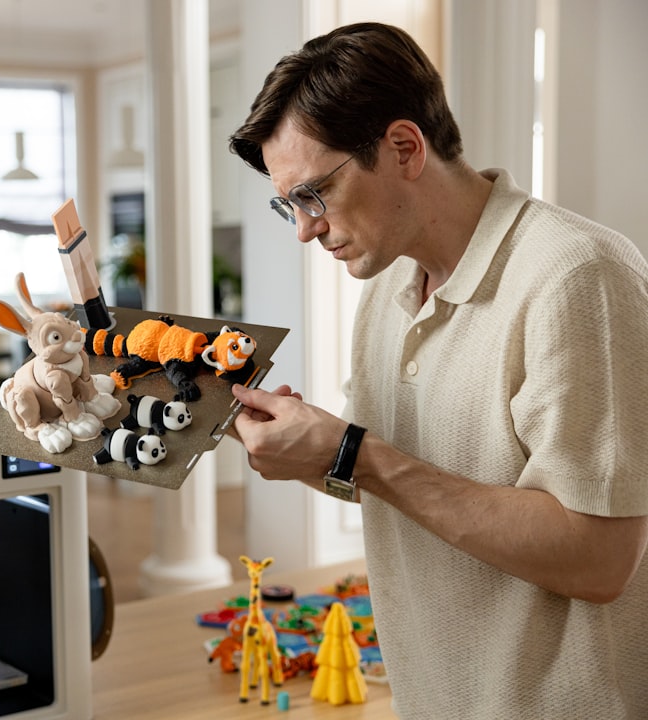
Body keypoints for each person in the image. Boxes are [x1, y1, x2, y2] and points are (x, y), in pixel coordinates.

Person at [227, 22, 648, 719]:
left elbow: (599, 560)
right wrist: (308, 446)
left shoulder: (577, 277)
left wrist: (353, 453)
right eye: (289, 205)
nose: (304, 229)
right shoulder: (389, 289)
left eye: (314, 194)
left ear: (404, 147)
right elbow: (402, 482)